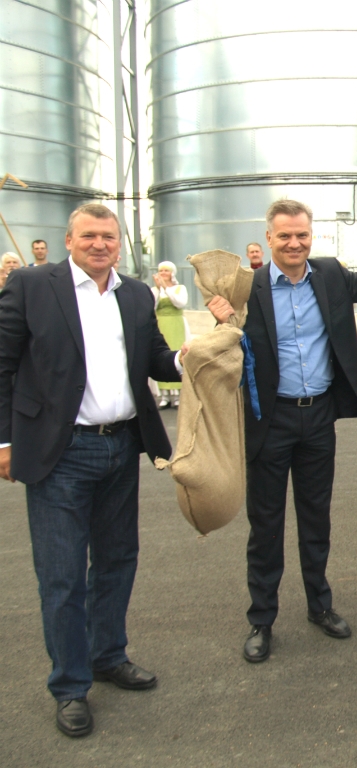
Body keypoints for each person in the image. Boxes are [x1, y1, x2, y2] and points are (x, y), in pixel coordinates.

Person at [206, 198, 357, 664]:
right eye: (284, 236)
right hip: (269, 423)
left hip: (318, 418)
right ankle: (261, 618)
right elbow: (225, 351)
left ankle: (320, 606)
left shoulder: (331, 276)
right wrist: (225, 321)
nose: (294, 243)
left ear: (311, 235)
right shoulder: (248, 288)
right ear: (269, 239)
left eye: (302, 234)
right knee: (266, 527)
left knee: (316, 519)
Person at [0, 203, 185, 738]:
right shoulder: (33, 287)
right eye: (90, 236)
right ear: (68, 240)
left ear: (119, 245)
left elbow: (154, 357)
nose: (100, 244)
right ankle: (70, 686)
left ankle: (108, 655)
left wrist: (189, 357)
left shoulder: (133, 293)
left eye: (108, 236)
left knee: (116, 560)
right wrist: (5, 440)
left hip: (121, 446)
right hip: (61, 453)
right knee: (61, 576)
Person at [151, 261, 189, 408]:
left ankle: (178, 394)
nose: (163, 274)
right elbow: (152, 306)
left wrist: (167, 288)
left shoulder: (179, 288)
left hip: (176, 323)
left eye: (166, 271)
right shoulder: (155, 290)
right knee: (160, 353)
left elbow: (179, 303)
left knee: (177, 354)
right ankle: (164, 395)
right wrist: (158, 289)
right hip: (161, 323)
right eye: (161, 271)